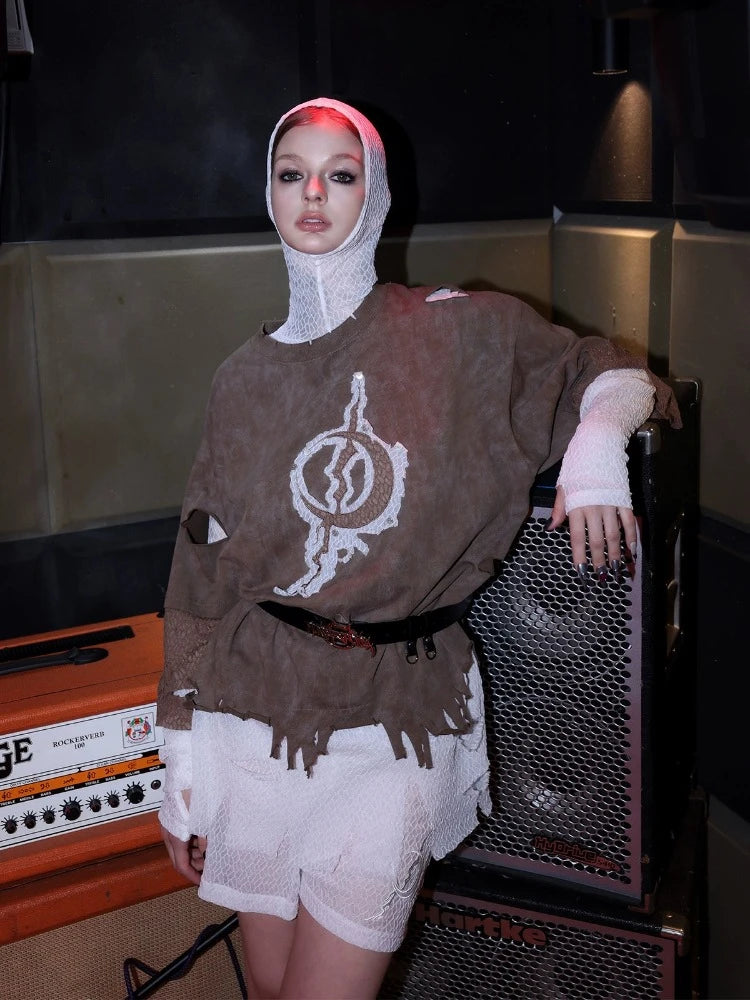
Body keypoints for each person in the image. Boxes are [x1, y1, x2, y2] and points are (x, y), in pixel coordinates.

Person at [157, 97, 679, 999]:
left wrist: (597, 445)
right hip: (252, 715)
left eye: (340, 174)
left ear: (378, 194)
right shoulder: (241, 377)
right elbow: (200, 583)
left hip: (390, 726)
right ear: (268, 194)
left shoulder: (458, 332)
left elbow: (619, 374)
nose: (312, 193)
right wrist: (182, 770)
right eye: (291, 174)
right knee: (271, 990)